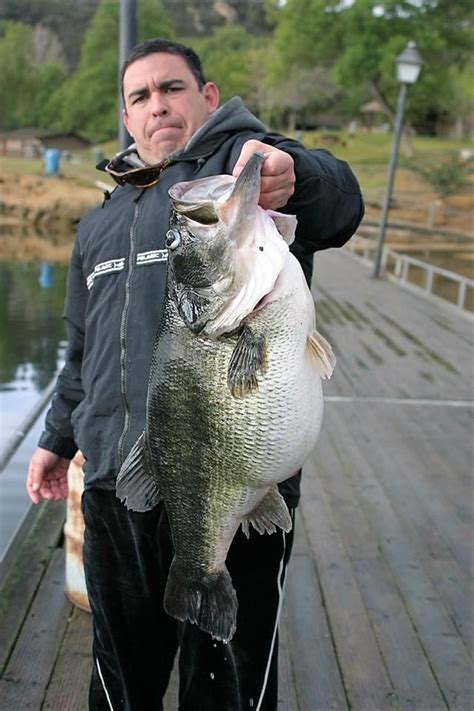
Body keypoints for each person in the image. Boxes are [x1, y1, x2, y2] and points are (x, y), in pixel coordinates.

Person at [26, 39, 364, 711]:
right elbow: (80, 347)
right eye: (140, 96)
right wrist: (57, 437)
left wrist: (297, 173)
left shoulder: (245, 175)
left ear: (208, 98)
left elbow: (338, 201)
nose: (158, 106)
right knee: (122, 681)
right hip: (115, 485)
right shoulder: (101, 221)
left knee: (229, 689)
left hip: (232, 482)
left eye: (172, 88)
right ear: (127, 117)